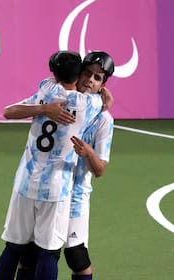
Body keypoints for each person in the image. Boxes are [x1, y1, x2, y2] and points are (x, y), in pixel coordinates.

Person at [0, 50, 103, 280]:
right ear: (80, 74)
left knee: (13, 247)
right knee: (49, 252)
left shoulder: (46, 88)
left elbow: (9, 111)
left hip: (25, 183)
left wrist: (45, 108)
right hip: (57, 188)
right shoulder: (89, 104)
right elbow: (102, 99)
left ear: (53, 74)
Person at [64, 51, 115, 280]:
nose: (90, 80)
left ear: (103, 84)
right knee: (41, 251)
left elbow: (100, 170)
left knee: (76, 254)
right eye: (87, 73)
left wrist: (89, 152)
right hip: (49, 190)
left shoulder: (104, 119)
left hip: (76, 195)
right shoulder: (63, 98)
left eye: (97, 78)